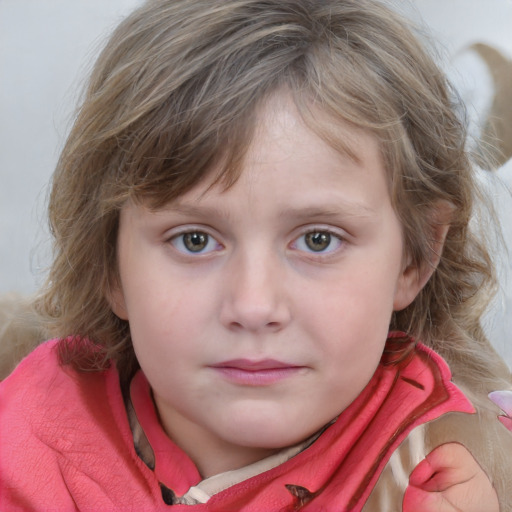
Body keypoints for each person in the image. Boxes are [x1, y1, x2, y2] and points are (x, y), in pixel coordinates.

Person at [1, 0, 511, 509]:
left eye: (318, 239)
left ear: (416, 257)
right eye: (194, 240)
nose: (253, 306)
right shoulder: (31, 428)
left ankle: (465, 104)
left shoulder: (453, 478)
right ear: (109, 264)